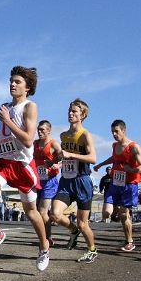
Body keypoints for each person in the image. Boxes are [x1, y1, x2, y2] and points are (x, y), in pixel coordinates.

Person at [0, 66, 49, 271]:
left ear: (27, 88)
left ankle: (44, 247)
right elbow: (6, 130)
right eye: (11, 80)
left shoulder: (29, 107)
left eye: (17, 81)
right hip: (2, 161)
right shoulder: (5, 107)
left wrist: (6, 120)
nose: (12, 84)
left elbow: (28, 140)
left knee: (31, 213)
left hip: (22, 166)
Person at [49, 99, 98, 263]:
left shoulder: (85, 135)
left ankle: (92, 250)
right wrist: (53, 162)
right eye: (70, 111)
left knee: (84, 224)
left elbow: (93, 158)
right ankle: (73, 230)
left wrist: (71, 155)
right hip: (66, 181)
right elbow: (65, 157)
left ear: (82, 115)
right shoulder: (63, 135)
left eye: (74, 112)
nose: (70, 114)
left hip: (82, 182)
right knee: (55, 214)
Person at [94, 120, 141, 251]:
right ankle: (121, 210)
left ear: (124, 130)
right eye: (112, 132)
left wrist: (132, 170)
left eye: (116, 131)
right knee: (106, 213)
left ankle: (130, 242)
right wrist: (100, 165)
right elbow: (113, 158)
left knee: (123, 215)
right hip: (115, 183)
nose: (114, 134)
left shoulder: (134, 147)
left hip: (129, 185)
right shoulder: (114, 145)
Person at [33, 120, 62, 246]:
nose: (39, 132)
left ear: (49, 131)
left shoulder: (53, 145)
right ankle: (44, 235)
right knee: (35, 210)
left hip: (50, 181)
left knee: (42, 211)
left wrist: (57, 165)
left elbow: (64, 158)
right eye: (38, 130)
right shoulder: (35, 143)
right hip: (38, 180)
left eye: (42, 130)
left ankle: (48, 237)